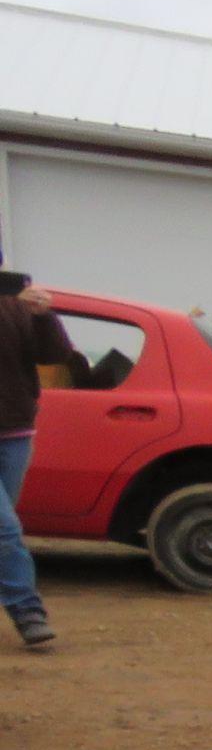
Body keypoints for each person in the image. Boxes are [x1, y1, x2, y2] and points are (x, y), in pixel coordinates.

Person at [0, 270, 73, 650]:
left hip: (14, 431)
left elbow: (56, 355)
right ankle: (28, 612)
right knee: (5, 528)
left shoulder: (18, 305)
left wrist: (45, 317)